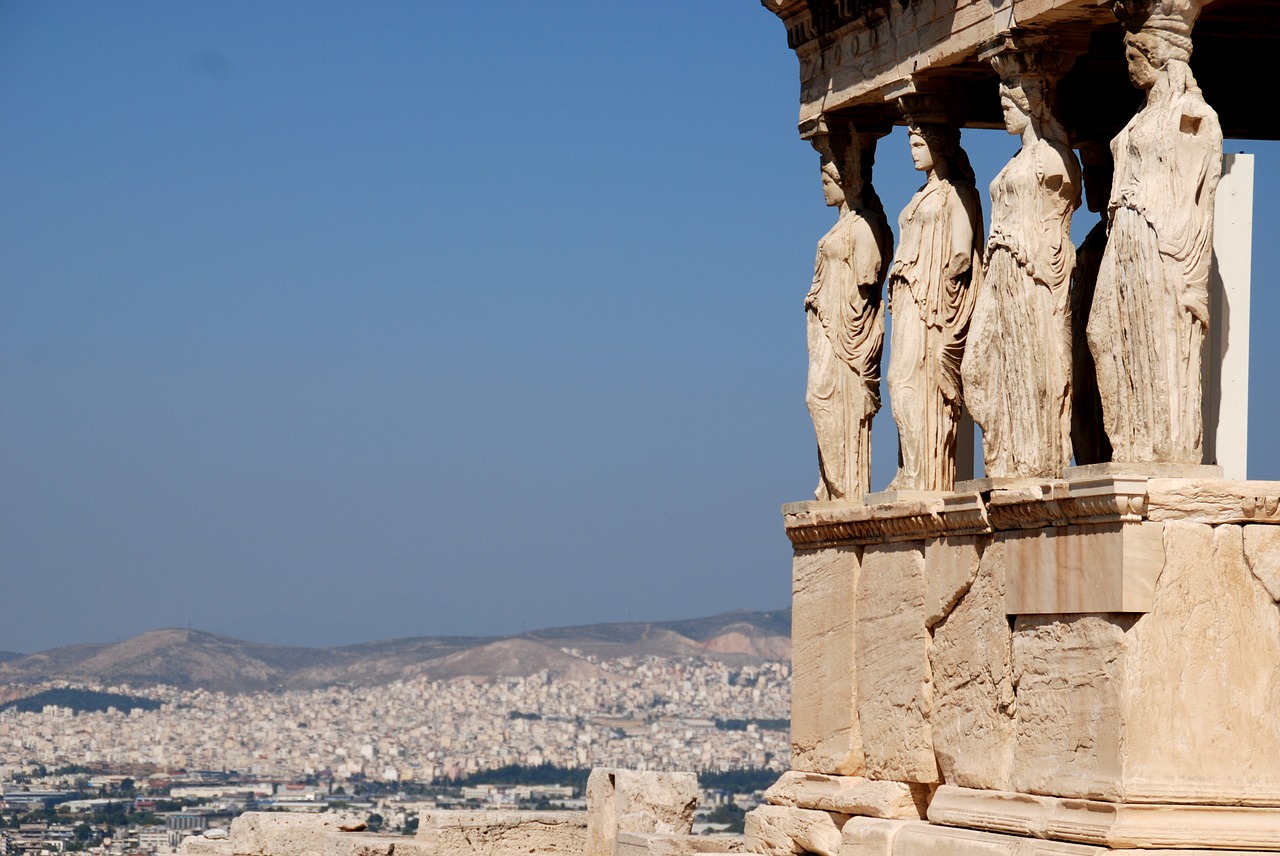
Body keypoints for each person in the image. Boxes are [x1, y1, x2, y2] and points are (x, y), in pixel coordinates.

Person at [1087, 30, 1222, 464]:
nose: (1129, 66)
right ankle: (1130, 440)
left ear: (1159, 57)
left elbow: (1201, 189)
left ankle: (1164, 447)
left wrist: (1182, 248)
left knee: (1159, 338)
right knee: (1102, 330)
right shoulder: (1139, 117)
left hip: (1158, 236)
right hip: (1124, 232)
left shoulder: (1192, 114)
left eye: (1134, 57)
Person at [962, 64, 1081, 479]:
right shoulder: (1018, 159)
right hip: (1000, 272)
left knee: (1032, 364)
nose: (1004, 111)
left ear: (1032, 105)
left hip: (1031, 271)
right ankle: (1004, 454)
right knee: (977, 367)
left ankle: (1033, 460)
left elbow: (1063, 211)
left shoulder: (1053, 157)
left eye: (1011, 103)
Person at [885, 123, 983, 491]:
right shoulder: (919, 195)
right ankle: (910, 468)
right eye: (911, 144)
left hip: (932, 302)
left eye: (918, 144)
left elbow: (962, 252)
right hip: (909, 298)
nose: (912, 152)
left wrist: (943, 284)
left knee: (911, 381)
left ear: (938, 146)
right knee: (900, 380)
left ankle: (922, 474)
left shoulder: (957, 192)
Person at [805, 129, 891, 500]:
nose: (823, 187)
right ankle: (833, 483)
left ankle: (846, 488)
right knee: (819, 398)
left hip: (848, 330)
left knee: (824, 397)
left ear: (846, 180)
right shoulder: (844, 224)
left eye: (829, 180)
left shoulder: (864, 223)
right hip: (828, 324)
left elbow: (868, 275)